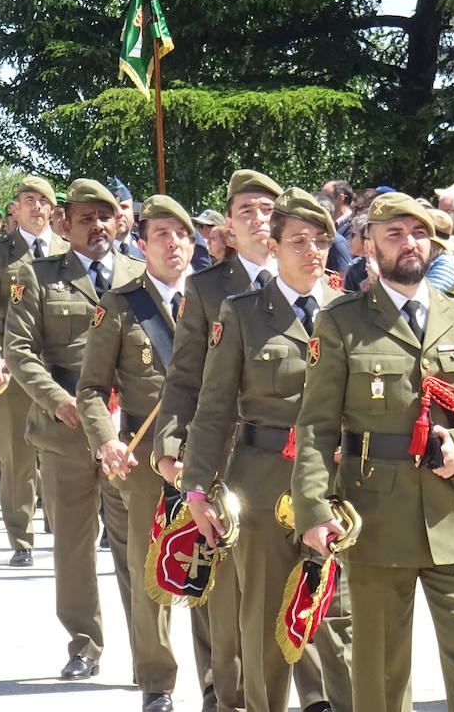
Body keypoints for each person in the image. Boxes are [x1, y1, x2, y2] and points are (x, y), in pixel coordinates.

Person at [291, 191, 454, 712]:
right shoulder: (342, 321)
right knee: (380, 670)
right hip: (375, 517)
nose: (408, 243)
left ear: (433, 243)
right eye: (394, 234)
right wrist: (313, 511)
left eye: (417, 233)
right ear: (370, 244)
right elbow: (317, 426)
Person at [181, 188, 353, 712]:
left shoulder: (351, 312)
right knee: (262, 618)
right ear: (273, 247)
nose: (312, 252)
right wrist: (196, 489)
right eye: (298, 241)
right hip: (262, 478)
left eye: (321, 240)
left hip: (337, 481)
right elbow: (213, 408)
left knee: (339, 617)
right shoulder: (244, 312)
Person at [157, 168, 283, 712]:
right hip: (226, 451)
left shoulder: (311, 280)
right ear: (229, 225)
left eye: (267, 208)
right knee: (227, 586)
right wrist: (171, 445)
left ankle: (312, 693)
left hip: (292, 452)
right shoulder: (207, 289)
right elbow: (184, 378)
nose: (259, 219)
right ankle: (223, 690)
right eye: (247, 211)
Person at [3, 178, 138, 682]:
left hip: (128, 431)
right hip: (65, 430)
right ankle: (85, 643)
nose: (97, 226)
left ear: (118, 220)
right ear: (65, 223)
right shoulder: (33, 276)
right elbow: (19, 350)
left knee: (134, 543)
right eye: (85, 217)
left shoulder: (137, 274)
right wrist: (60, 403)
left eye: (105, 216)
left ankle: (147, 648)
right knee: (74, 543)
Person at [79, 194, 210, 712]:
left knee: (214, 565)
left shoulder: (217, 299)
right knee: (150, 567)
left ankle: (220, 678)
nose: (173, 243)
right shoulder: (120, 304)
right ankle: (157, 680)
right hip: (143, 454)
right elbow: (91, 388)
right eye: (161, 234)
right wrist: (105, 440)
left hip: (209, 451)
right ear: (142, 243)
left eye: (181, 234)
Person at [0, 175, 64, 566]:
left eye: (43, 201)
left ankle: (65, 530)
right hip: (14, 364)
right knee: (17, 455)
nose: (37, 207)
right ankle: (21, 539)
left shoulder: (66, 249)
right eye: (29, 200)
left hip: (60, 365)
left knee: (63, 454)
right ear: (16, 208)